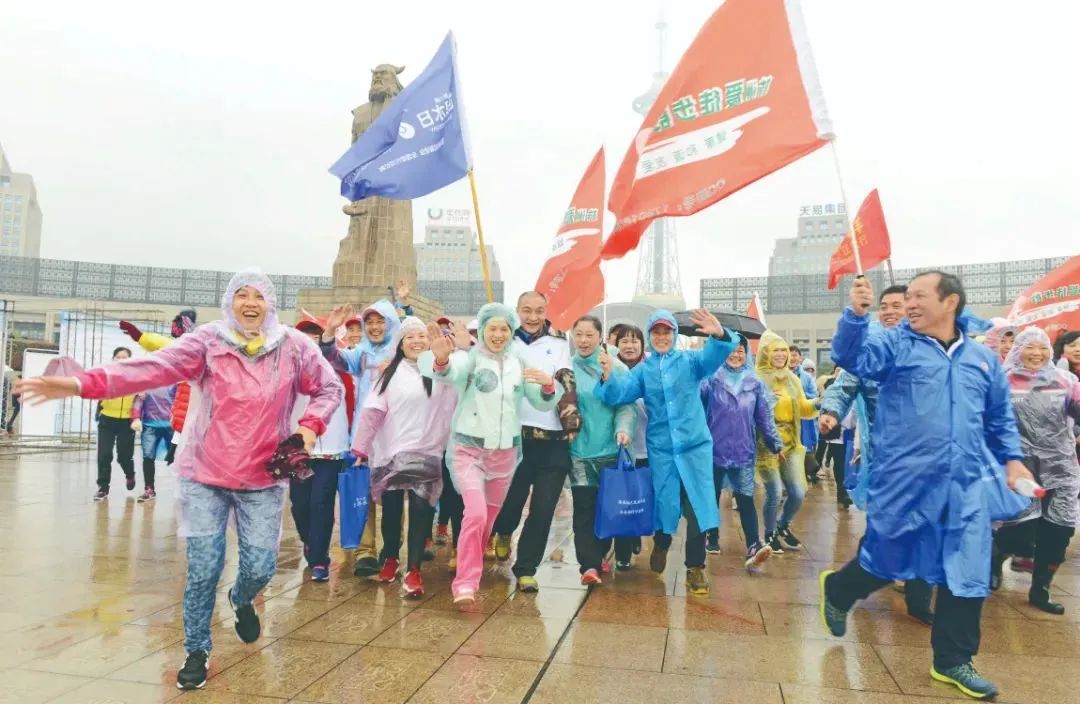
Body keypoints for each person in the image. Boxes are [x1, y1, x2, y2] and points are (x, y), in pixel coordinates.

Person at [16, 268, 343, 691]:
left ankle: (241, 599)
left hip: (263, 476)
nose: (249, 303)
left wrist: (310, 427)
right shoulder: (208, 342)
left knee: (261, 566)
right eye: (241, 295)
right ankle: (197, 649)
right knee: (204, 568)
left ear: (270, 303)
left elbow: (329, 387)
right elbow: (150, 368)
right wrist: (81, 384)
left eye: (258, 296)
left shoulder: (294, 347)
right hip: (205, 473)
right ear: (230, 302)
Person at [820, 272, 1034, 701]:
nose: (909, 303)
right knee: (888, 557)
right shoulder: (895, 345)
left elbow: (998, 419)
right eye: (907, 296)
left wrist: (1013, 461)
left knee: (968, 567)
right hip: (905, 479)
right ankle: (840, 589)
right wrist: (856, 314)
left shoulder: (982, 359)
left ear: (949, 301)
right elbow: (851, 357)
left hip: (966, 483)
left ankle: (953, 660)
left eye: (919, 296)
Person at [419, 303, 562, 603]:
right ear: (483, 330)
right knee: (475, 513)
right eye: (492, 328)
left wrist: (549, 386)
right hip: (468, 450)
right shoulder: (470, 359)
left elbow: (540, 400)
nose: (498, 334)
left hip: (505, 455)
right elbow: (448, 372)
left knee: (487, 521)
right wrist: (442, 359)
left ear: (511, 332)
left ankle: (472, 563)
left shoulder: (518, 363)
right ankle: (466, 581)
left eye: (504, 329)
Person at [596, 309, 739, 597]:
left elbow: (716, 355)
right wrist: (608, 377)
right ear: (651, 336)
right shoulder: (643, 371)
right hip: (662, 450)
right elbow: (618, 394)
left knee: (697, 506)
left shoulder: (691, 361)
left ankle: (695, 568)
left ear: (674, 335)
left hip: (695, 448)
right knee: (666, 505)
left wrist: (720, 335)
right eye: (657, 332)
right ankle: (661, 543)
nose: (662, 337)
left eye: (667, 332)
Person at [819, 283, 935, 623]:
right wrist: (830, 412)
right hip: (887, 456)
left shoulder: (928, 347)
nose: (889, 311)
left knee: (927, 525)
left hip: (928, 458)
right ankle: (848, 584)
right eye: (884, 306)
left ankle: (918, 599)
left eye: (897, 305)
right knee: (886, 527)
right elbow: (844, 384)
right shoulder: (872, 349)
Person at [355, 316, 456, 597]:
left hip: (427, 451)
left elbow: (455, 401)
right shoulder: (389, 374)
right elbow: (373, 411)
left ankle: (413, 570)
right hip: (391, 453)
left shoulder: (440, 371)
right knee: (392, 511)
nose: (416, 341)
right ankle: (390, 557)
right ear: (400, 343)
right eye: (410, 337)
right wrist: (361, 448)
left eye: (422, 337)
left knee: (422, 511)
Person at [490, 292, 579, 593]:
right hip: (513, 436)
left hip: (551, 436)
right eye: (526, 310)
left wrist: (571, 421)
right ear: (517, 310)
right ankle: (503, 531)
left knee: (543, 509)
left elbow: (567, 382)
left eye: (538, 311)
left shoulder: (558, 342)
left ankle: (526, 568)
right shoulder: (504, 339)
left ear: (546, 312)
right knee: (511, 500)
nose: (532, 317)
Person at [990, 327, 1080, 614]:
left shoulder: (1065, 380)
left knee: (1059, 530)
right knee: (1019, 529)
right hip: (1021, 468)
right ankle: (995, 559)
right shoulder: (1002, 382)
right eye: (1030, 347)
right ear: (1018, 350)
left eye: (1042, 348)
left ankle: (1041, 588)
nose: (1037, 354)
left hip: (1061, 466)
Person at [320, 299, 401, 577]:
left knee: (392, 497)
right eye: (371, 322)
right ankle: (366, 552)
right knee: (362, 493)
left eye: (381, 321)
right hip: (364, 436)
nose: (375, 327)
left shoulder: (404, 351)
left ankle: (392, 548)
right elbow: (335, 359)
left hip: (394, 436)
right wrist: (330, 333)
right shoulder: (362, 353)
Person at [700, 336, 781, 572]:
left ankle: (754, 545)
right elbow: (694, 406)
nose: (736, 355)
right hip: (713, 450)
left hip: (743, 451)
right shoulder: (710, 379)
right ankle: (712, 538)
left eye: (740, 351)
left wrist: (775, 443)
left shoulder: (754, 382)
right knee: (711, 497)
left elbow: (764, 417)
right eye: (731, 351)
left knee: (745, 499)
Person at [567, 316, 635, 585]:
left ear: (600, 338)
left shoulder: (615, 367)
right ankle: (588, 565)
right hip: (578, 452)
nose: (583, 341)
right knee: (583, 508)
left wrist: (624, 429)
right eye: (579, 334)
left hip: (609, 449)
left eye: (589, 335)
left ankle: (601, 553)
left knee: (607, 510)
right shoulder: (565, 367)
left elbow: (626, 405)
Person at [291, 315, 355, 583]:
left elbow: (355, 405)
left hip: (331, 449)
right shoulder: (288, 370)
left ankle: (319, 559)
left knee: (321, 503)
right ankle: (309, 540)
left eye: (316, 337)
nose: (311, 343)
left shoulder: (340, 372)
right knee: (299, 505)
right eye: (305, 338)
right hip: (297, 448)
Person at [755, 331, 818, 555]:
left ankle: (783, 526)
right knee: (774, 491)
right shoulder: (757, 378)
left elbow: (803, 408)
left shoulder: (792, 379)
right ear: (766, 353)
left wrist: (819, 403)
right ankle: (770, 535)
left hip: (791, 443)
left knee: (798, 491)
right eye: (776, 350)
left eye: (784, 350)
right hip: (766, 444)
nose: (781, 354)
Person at [119, 309, 198, 466]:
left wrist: (138, 335)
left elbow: (156, 342)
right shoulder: (178, 344)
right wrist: (138, 335)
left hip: (195, 387)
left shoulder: (195, 343)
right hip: (186, 386)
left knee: (189, 421)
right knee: (182, 419)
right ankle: (175, 452)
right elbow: (156, 342)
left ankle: (178, 452)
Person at [610, 323, 648, 568]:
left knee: (641, 497)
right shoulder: (611, 370)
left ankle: (635, 533)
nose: (630, 345)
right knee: (622, 498)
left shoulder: (653, 370)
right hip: (621, 445)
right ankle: (622, 552)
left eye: (635, 340)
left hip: (648, 446)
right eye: (624, 341)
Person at [93, 346, 138, 501]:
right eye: (118, 357)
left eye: (124, 357)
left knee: (124, 456)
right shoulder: (106, 374)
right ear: (113, 359)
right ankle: (103, 488)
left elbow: (143, 397)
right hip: (107, 419)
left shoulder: (136, 377)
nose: (121, 359)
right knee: (104, 454)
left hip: (127, 422)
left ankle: (130, 474)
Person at [130, 382, 176, 503]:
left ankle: (183, 489)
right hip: (150, 425)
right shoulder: (146, 382)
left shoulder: (174, 382)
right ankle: (149, 488)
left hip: (171, 425)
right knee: (148, 456)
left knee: (178, 458)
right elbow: (138, 401)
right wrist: (135, 418)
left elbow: (182, 398)